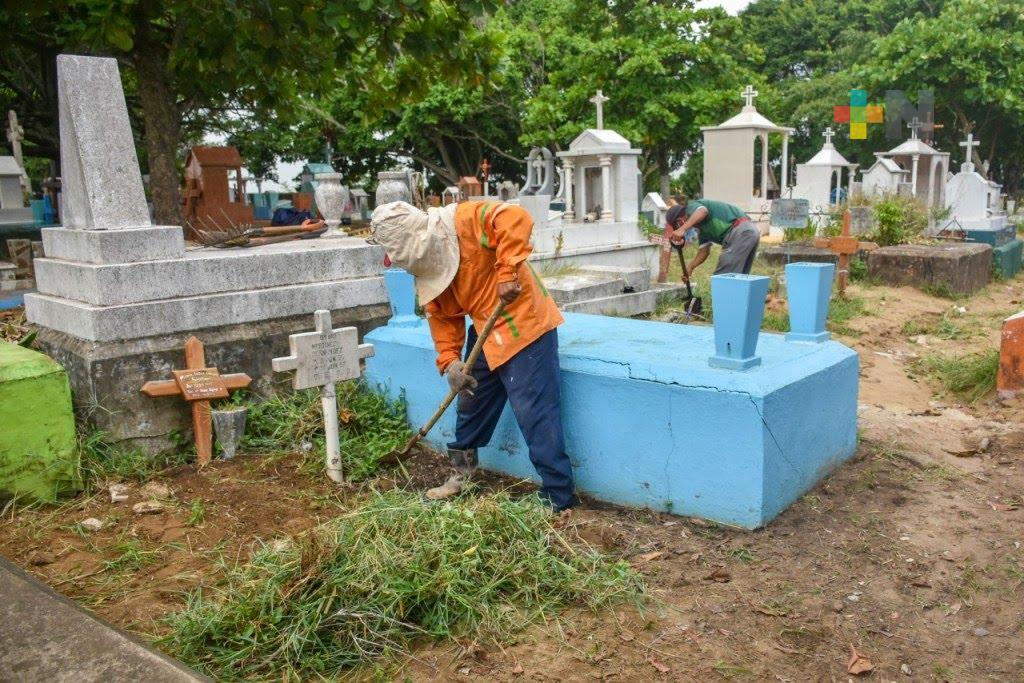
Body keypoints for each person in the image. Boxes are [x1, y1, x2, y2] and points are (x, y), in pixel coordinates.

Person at [369, 200, 576, 512]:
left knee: (533, 411)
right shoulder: (428, 265)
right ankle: (462, 475)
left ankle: (558, 496)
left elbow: (515, 217)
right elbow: (441, 314)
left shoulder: (466, 219)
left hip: (524, 322)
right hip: (485, 327)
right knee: (471, 400)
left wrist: (507, 271)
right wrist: (450, 360)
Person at [666, 197, 760, 279]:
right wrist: (690, 267)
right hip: (749, 233)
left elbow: (703, 211)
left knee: (723, 277)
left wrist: (682, 229)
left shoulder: (691, 206)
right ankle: (741, 299)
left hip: (741, 230)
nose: (679, 228)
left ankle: (721, 300)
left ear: (680, 220)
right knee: (739, 278)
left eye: (677, 226)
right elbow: (704, 251)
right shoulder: (701, 228)